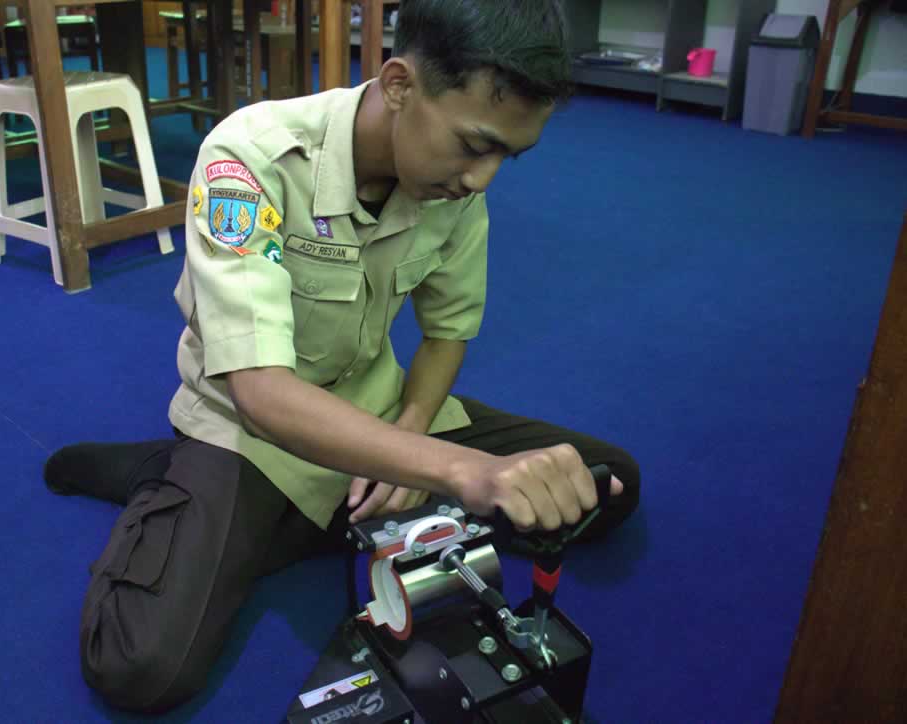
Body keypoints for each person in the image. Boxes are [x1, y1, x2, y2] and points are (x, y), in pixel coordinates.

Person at [45, 0, 640, 714]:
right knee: (138, 667)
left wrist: (412, 434)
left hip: (380, 410)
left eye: (505, 157)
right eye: (475, 145)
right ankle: (170, 474)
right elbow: (260, 391)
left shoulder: (450, 183)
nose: (482, 180)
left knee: (602, 486)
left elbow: (448, 331)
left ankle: (308, 516)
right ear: (399, 85)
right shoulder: (251, 157)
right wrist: (459, 470)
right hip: (251, 433)